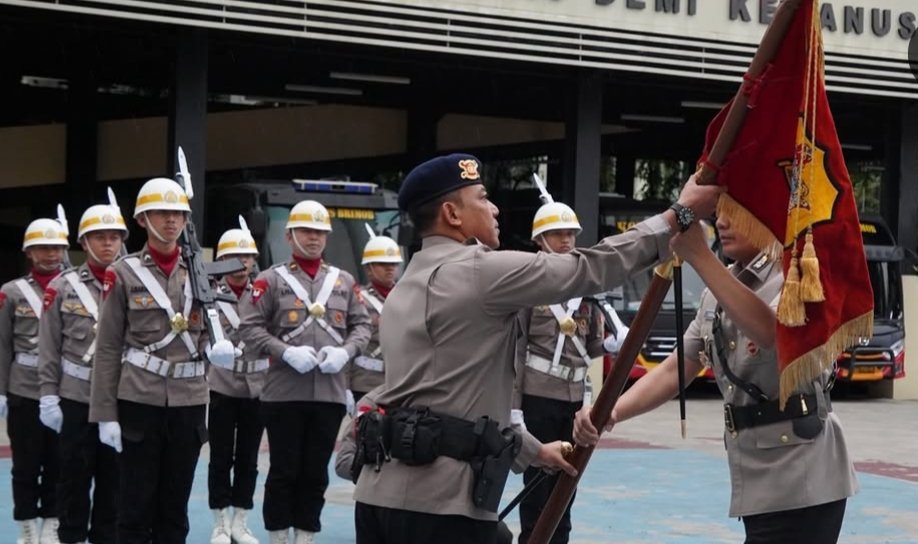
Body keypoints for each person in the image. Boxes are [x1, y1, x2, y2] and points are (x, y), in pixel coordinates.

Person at [352, 153, 720, 544]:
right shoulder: (480, 271)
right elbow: (586, 268)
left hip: (377, 498)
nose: (495, 209)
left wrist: (535, 452)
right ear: (452, 214)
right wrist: (678, 215)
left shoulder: (404, 287)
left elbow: (450, 402)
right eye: (482, 198)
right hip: (442, 507)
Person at [573, 216, 859, 544]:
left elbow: (770, 331)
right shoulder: (716, 293)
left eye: (735, 213)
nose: (722, 222)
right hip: (756, 473)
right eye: (719, 213)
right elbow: (677, 368)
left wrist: (701, 256)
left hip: (804, 473)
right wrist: (611, 411)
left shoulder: (796, 275)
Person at [89, 177, 237, 543]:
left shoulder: (200, 272)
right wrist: (104, 413)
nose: (171, 220)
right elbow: (107, 347)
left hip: (189, 401)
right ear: (142, 219)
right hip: (139, 399)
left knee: (175, 508)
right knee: (135, 506)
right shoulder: (123, 273)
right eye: (161, 212)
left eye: (177, 213)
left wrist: (217, 347)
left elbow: (208, 329)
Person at [239, 200, 372, 544]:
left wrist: (345, 352)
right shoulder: (270, 281)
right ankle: (278, 536)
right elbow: (249, 328)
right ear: (290, 236)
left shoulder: (344, 281)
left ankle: (305, 536)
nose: (313, 238)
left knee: (316, 473)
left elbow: (362, 327)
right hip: (283, 393)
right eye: (306, 231)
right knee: (283, 471)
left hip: (329, 393)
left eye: (319, 232)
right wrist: (284, 351)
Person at [514, 200, 621, 544]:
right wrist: (514, 408)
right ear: (540, 240)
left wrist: (608, 348)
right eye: (558, 234)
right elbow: (516, 352)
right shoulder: (526, 287)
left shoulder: (585, 290)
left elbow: (592, 349)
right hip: (537, 397)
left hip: (575, 402)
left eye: (571, 234)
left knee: (568, 481)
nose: (566, 241)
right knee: (536, 484)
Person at [38, 204, 127, 544]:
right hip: (76, 397)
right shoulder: (62, 288)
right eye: (99, 237)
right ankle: (71, 537)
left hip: (119, 398)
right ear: (84, 242)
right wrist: (48, 395)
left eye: (114, 237)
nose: (108, 244)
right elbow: (49, 348)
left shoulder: (132, 282)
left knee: (115, 481)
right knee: (73, 479)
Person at [1, 217, 69, 544]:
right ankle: (27, 525)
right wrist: (1, 390)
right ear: (29, 252)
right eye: (43, 247)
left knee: (59, 462)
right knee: (25, 466)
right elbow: (2, 346)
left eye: (56, 247)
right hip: (24, 389)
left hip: (63, 388)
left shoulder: (73, 288)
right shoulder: (11, 292)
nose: (51, 254)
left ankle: (52, 523)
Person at [207, 224, 267, 544]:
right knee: (220, 457)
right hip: (223, 383)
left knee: (248, 459)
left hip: (257, 385)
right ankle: (219, 522)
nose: (242, 262)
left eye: (247, 256)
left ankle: (240, 521)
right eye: (234, 255)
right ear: (221, 260)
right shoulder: (209, 293)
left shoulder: (264, 292)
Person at [349, 229, 402, 402]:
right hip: (366, 384)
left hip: (401, 383)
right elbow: (346, 343)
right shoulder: (357, 299)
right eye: (382, 263)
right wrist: (344, 387)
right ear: (368, 268)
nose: (390, 268)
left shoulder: (408, 296)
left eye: (393, 263)